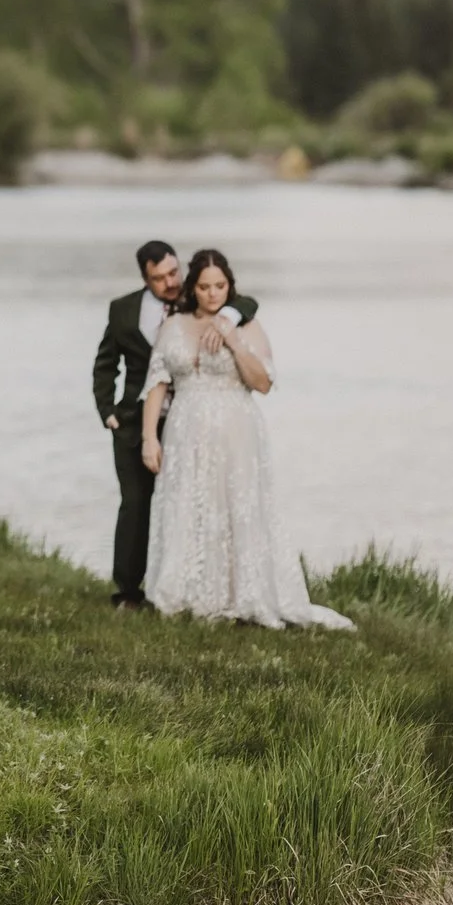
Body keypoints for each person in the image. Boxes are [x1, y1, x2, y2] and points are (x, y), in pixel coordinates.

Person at [138, 250, 351, 629]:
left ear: (229, 286)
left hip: (236, 433)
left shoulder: (247, 327)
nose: (212, 293)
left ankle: (241, 593)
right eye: (204, 287)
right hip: (185, 433)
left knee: (236, 507)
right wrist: (149, 437)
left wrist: (233, 340)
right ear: (193, 288)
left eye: (220, 286)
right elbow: (157, 383)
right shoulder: (173, 326)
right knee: (189, 506)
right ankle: (187, 592)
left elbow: (263, 384)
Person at [92, 241, 257, 609]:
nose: (169, 283)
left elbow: (247, 302)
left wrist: (230, 316)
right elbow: (106, 363)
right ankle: (127, 592)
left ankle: (192, 586)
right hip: (134, 424)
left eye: (173, 273)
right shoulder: (123, 310)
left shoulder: (200, 297)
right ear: (144, 278)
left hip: (189, 423)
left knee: (188, 504)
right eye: (159, 278)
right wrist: (107, 411)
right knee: (135, 504)